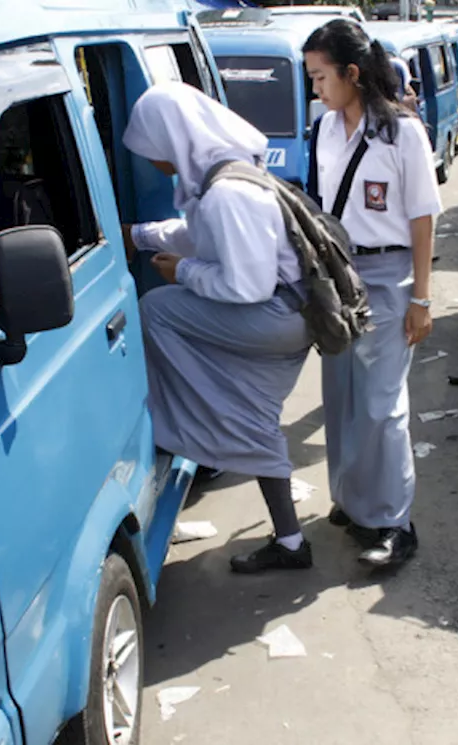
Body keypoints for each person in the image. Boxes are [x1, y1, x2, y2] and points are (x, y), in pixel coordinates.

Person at [122, 82, 315, 574]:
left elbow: (244, 285)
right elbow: (202, 235)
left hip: (275, 315)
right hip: (285, 313)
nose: (154, 163)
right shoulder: (221, 177)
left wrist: (180, 272)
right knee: (253, 417)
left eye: (154, 151)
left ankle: (180, 429)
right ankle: (291, 542)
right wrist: (140, 237)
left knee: (157, 309)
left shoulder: (228, 194)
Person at [303, 20, 442, 567]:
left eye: (321, 77)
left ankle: (393, 521)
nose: (316, 89)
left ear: (352, 73)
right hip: (338, 276)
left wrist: (423, 298)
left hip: (389, 276)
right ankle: (352, 499)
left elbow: (423, 217)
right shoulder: (323, 127)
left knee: (381, 405)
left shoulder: (403, 133)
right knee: (341, 396)